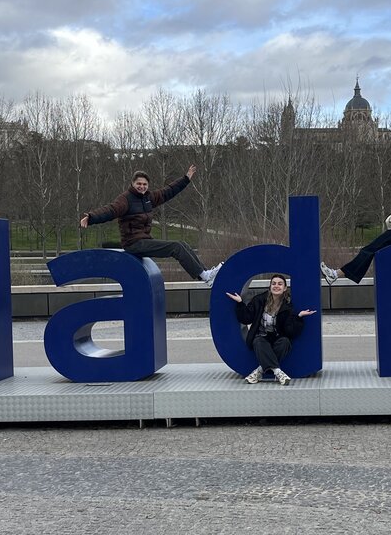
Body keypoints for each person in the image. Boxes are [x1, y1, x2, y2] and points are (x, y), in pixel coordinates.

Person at [81, 165, 222, 284]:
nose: (141, 187)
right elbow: (111, 210)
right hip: (133, 244)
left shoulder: (149, 197)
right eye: (139, 184)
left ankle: (205, 274)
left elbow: (168, 191)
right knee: (176, 247)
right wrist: (92, 217)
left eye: (144, 184)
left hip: (144, 241)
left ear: (147, 186)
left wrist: (186, 179)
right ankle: (205, 276)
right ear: (133, 184)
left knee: (182, 244)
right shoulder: (125, 199)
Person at [226, 274, 316, 385]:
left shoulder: (287, 305)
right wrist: (240, 303)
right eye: (273, 283)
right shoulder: (259, 300)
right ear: (270, 286)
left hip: (278, 338)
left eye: (280, 284)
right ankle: (278, 372)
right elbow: (246, 318)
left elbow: (290, 331)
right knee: (258, 341)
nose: (276, 286)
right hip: (262, 337)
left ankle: (259, 371)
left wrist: (298, 317)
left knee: (285, 342)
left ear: (285, 288)